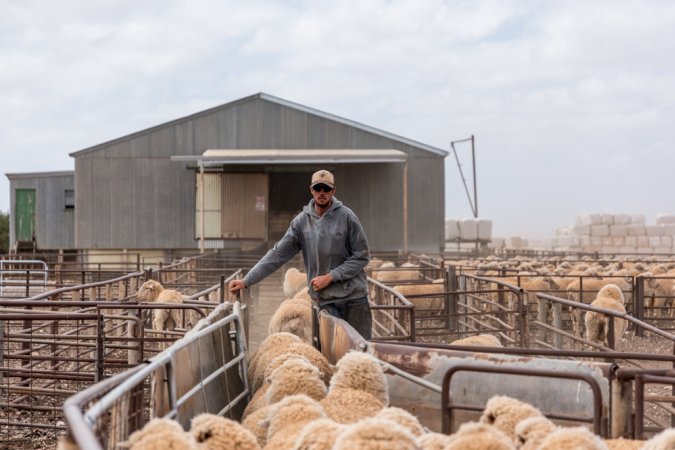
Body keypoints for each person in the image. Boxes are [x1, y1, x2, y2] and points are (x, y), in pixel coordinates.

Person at [229, 169, 372, 339]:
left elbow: (362, 255)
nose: (321, 193)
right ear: (311, 190)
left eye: (326, 189)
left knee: (360, 351)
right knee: (328, 356)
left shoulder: (347, 217)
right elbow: (277, 254)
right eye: (318, 188)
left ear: (333, 191)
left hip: (354, 299)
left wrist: (331, 276)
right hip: (325, 301)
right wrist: (247, 280)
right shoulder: (301, 222)